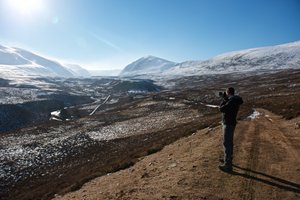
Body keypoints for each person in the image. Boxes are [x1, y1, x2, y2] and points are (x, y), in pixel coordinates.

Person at [219, 87, 243, 172]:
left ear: (228, 92)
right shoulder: (233, 100)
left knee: (227, 143)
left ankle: (228, 165)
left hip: (228, 123)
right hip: (230, 123)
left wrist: (223, 99)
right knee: (229, 142)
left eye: (226, 93)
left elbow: (222, 109)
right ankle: (227, 159)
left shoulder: (232, 101)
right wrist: (226, 99)